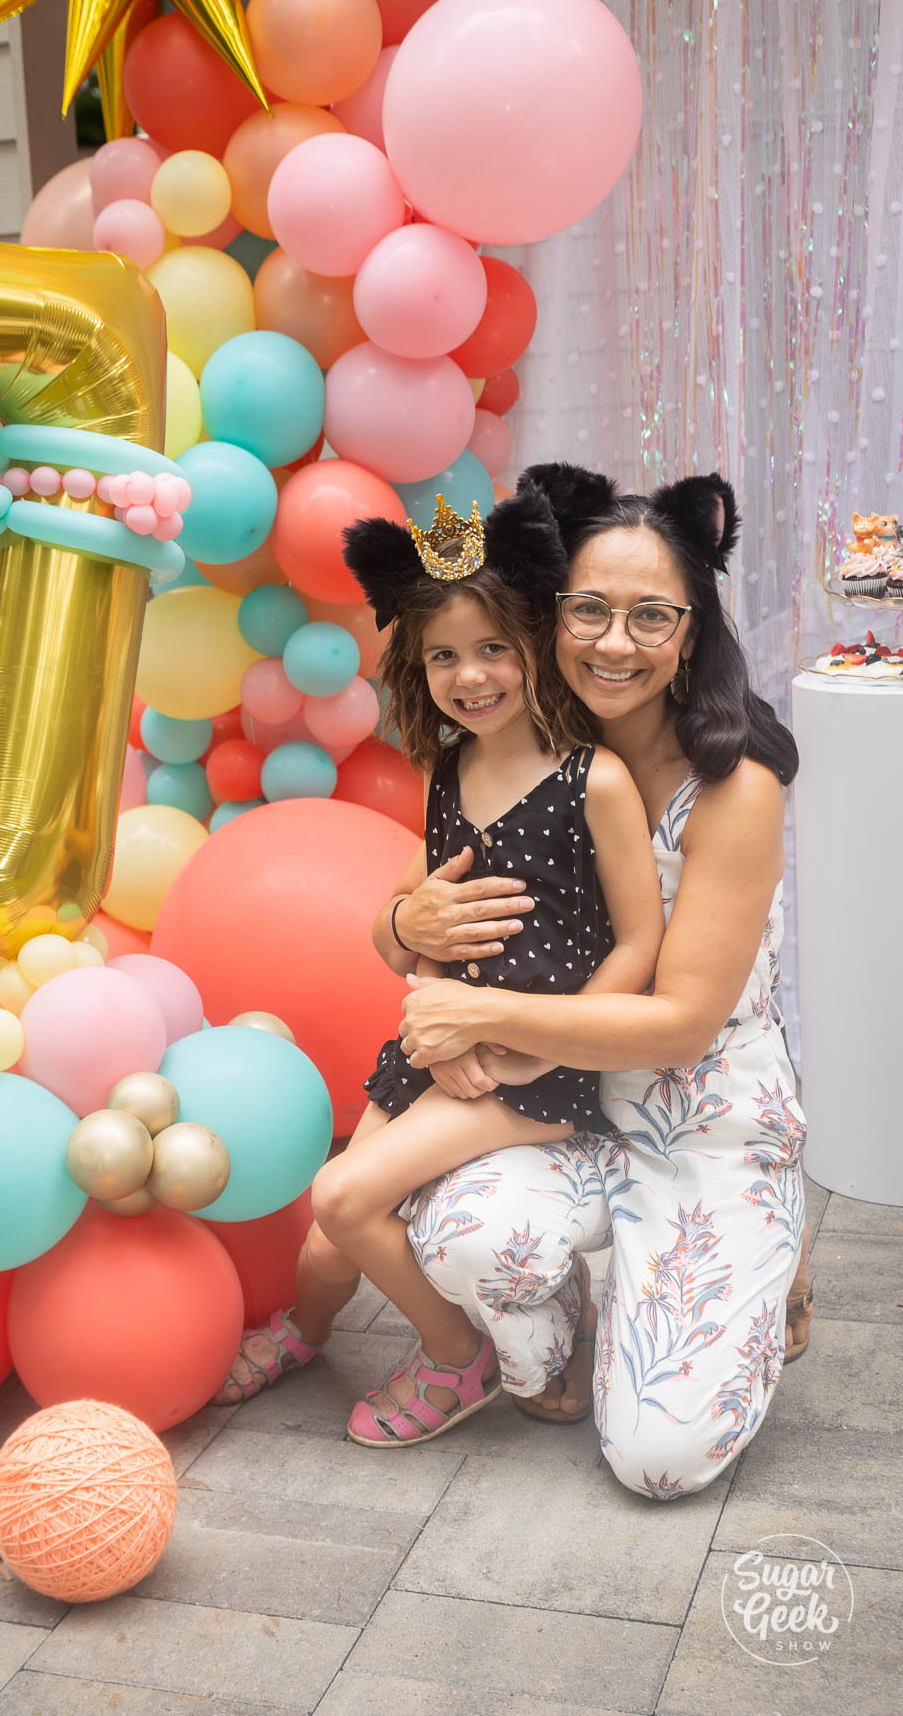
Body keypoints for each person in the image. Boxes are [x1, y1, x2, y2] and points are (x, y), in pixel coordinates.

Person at [214, 482, 665, 1447]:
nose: (472, 675)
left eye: (494, 647)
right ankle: (308, 1329)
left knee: (342, 1191)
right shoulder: (450, 771)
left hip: (536, 1072)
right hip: (442, 1043)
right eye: (444, 655)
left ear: (538, 644)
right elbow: (413, 929)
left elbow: (638, 945)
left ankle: (458, 1358)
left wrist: (531, 1049)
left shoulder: (599, 781)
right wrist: (418, 971)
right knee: (328, 1240)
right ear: (417, 668)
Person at [396, 463, 811, 1498]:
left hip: (696, 1122)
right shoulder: (522, 747)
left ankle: (759, 1255)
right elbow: (418, 913)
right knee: (455, 1235)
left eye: (649, 616)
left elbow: (677, 1026)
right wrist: (402, 921)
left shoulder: (734, 788)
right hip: (565, 1109)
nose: (614, 644)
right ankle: (587, 1310)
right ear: (549, 619)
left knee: (657, 1464)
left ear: (691, 629)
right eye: (588, 611)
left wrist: (482, 1012)